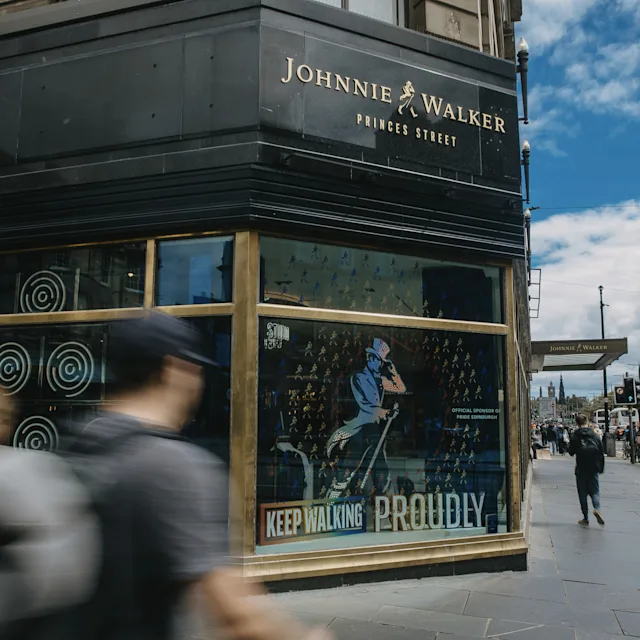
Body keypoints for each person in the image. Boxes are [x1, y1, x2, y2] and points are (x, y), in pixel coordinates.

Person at [63, 312, 330, 640]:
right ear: (173, 369)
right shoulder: (172, 465)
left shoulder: (79, 444)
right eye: (197, 371)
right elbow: (237, 616)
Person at [326, 338, 406, 496]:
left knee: (380, 468)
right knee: (351, 467)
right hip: (359, 429)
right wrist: (384, 412)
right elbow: (366, 405)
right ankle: (333, 499)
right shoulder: (359, 377)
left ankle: (382, 498)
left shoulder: (381, 381)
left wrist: (394, 372)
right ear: (370, 358)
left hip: (374, 430)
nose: (380, 364)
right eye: (378, 360)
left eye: (382, 362)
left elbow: (401, 388)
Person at [569, 414, 605, 527]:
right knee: (595, 491)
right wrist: (601, 467)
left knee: (582, 493)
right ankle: (597, 508)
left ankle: (585, 517)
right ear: (587, 422)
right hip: (593, 467)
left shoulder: (576, 435)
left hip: (581, 468)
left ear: (577, 423)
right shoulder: (594, 435)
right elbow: (601, 451)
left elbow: (571, 452)